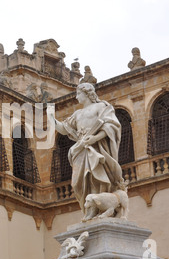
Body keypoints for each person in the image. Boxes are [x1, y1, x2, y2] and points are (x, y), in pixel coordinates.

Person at [49, 83, 125, 221]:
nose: (77, 97)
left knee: (96, 178)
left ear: (87, 93)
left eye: (78, 94)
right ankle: (88, 208)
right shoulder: (77, 114)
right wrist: (51, 118)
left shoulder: (101, 107)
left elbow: (111, 126)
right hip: (81, 149)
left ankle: (96, 208)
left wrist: (95, 138)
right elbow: (64, 128)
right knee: (78, 183)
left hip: (96, 149)